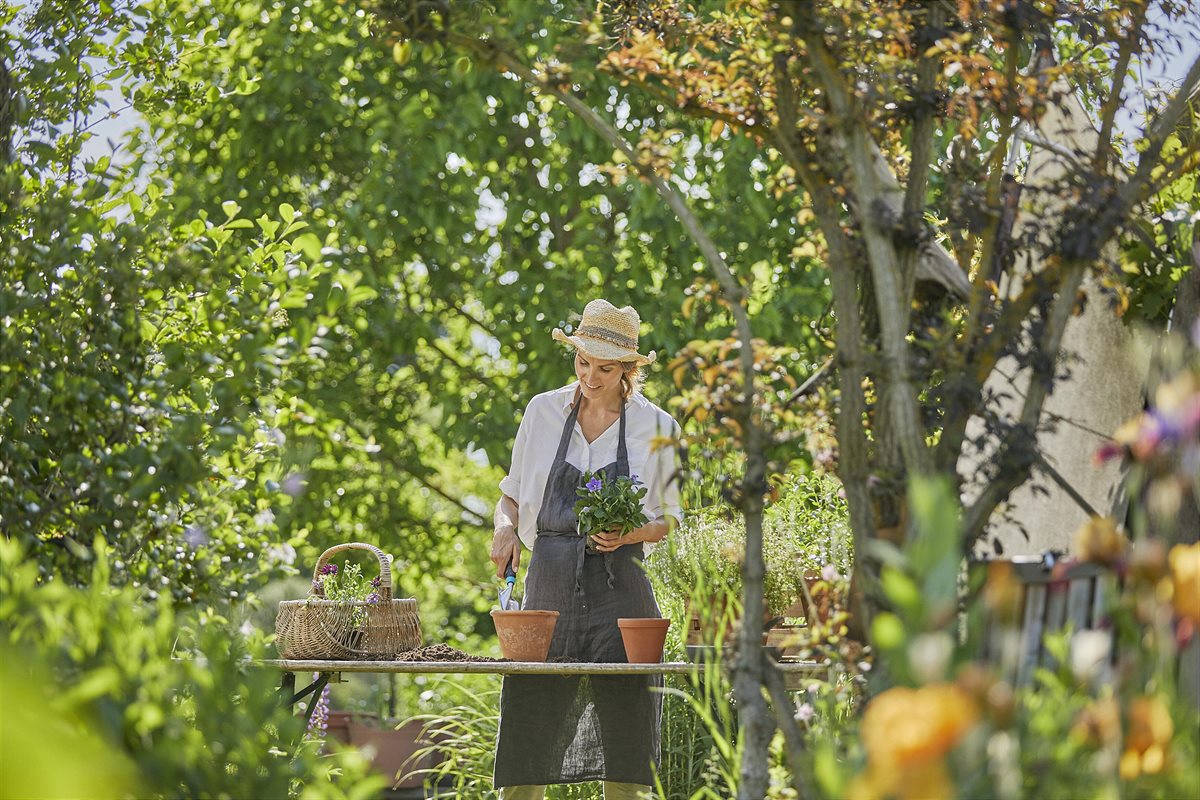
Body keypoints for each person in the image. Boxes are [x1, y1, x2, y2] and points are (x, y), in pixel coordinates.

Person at [490, 299, 682, 800]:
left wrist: (629, 534)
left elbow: (669, 520)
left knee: (626, 740)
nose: (590, 377)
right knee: (528, 731)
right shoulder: (542, 411)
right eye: (583, 363)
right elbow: (511, 495)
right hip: (547, 592)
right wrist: (506, 529)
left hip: (623, 595)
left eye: (605, 368)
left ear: (629, 370)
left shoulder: (658, 426)